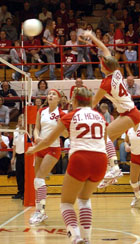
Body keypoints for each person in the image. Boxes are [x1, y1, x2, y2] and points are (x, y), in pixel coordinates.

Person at [27, 87, 107, 244]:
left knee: (66, 203)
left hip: (79, 158)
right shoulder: (100, 116)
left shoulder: (69, 115)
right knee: (84, 199)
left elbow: (51, 140)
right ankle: (87, 239)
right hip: (100, 160)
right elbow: (105, 141)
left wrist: (33, 149)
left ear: (74, 100)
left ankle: (75, 236)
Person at [83, 31, 140, 142]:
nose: (101, 63)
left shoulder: (106, 83)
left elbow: (94, 102)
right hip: (127, 113)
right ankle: (110, 160)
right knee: (106, 142)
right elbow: (104, 48)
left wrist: (79, 111)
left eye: (102, 63)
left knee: (102, 139)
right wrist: (92, 37)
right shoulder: (116, 70)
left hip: (130, 114)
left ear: (105, 68)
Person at [28, 89, 65, 225]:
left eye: (54, 94)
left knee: (39, 179)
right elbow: (36, 128)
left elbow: (66, 134)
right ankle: (39, 211)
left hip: (53, 148)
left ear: (59, 99)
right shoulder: (41, 111)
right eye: (49, 93)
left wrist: (62, 124)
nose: (50, 95)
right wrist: (37, 137)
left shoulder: (61, 114)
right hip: (41, 147)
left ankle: (41, 212)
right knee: (37, 180)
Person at [11, 114, 25, 199]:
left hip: (26, 155)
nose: (20, 121)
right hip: (18, 155)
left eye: (22, 119)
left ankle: (25, 193)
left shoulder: (28, 130)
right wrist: (13, 157)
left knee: (25, 175)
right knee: (19, 174)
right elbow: (14, 145)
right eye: (19, 119)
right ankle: (20, 192)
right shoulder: (15, 131)